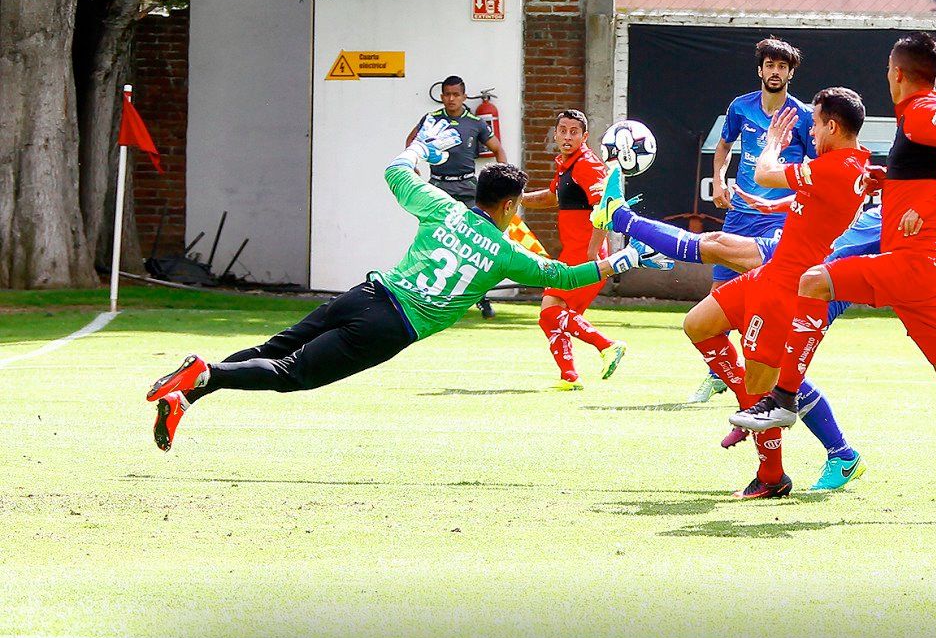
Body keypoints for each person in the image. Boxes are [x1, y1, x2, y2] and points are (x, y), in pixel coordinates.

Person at [146, 118, 654, 451]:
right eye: (518, 205)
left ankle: (187, 398)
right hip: (390, 326)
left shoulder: (442, 207)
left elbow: (395, 173)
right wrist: (623, 260)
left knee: (275, 348)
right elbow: (565, 275)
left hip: (366, 293)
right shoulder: (505, 254)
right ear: (507, 207)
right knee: (290, 374)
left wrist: (421, 150)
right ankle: (205, 374)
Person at [734, 31, 936, 497]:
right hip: (922, 271)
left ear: (897, 74)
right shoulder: (918, 122)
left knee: (813, 281)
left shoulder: (922, 112)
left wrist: (926, 202)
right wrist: (892, 184)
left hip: (910, 264)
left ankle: (785, 398)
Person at [595, 183, 936, 492]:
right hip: (792, 252)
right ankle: (752, 405)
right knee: (700, 321)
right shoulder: (875, 186)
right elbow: (815, 195)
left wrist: (928, 287)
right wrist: (772, 203)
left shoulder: (927, 215)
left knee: (770, 368)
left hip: (816, 284)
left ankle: (832, 456)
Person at [679, 89, 872, 498]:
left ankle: (772, 478)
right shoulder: (853, 163)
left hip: (787, 289)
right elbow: (813, 202)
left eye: (816, 124)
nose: (812, 130)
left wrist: (770, 144)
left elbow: (765, 172)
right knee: (697, 325)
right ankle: (755, 404)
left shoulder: (836, 165)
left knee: (763, 386)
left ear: (833, 127)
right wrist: (767, 208)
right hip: (771, 273)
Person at [691, 37, 815, 404]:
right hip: (740, 215)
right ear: (760, 70)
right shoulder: (740, 107)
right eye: (770, 65)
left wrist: (794, 200)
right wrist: (720, 181)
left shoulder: (802, 115)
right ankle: (718, 374)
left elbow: (813, 168)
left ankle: (776, 378)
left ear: (791, 73)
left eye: (782, 66)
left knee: (766, 297)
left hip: (776, 221)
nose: (775, 72)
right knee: (718, 296)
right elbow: (724, 146)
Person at [520, 109, 626, 391]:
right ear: (555, 134)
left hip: (586, 254)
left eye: (574, 132)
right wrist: (518, 198)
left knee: (550, 312)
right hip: (573, 253)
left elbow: (606, 206)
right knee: (550, 314)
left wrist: (594, 251)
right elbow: (552, 196)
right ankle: (570, 377)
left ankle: (608, 346)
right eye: (563, 131)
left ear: (585, 137)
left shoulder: (587, 165)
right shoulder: (567, 164)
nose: (567, 137)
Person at [404, 75, 507, 318]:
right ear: (441, 96)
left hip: (468, 187)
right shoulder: (432, 120)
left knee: (477, 241)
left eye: (456, 94)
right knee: (434, 238)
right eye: (447, 94)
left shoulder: (475, 123)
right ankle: (425, 296)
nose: (451, 99)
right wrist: (413, 166)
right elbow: (411, 141)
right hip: (438, 186)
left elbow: (498, 148)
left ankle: (481, 297)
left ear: (463, 96)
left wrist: (502, 178)